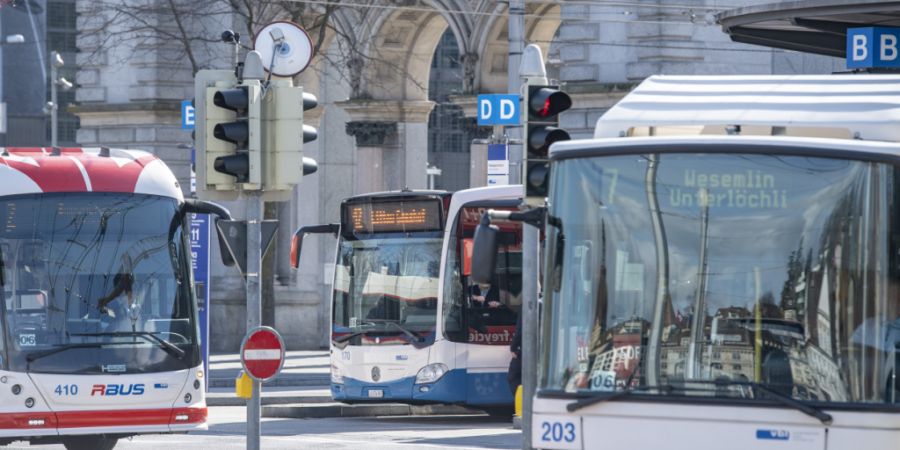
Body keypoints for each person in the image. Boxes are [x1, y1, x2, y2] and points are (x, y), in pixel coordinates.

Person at [507, 312, 523, 395]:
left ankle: (522, 403)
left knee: (513, 377)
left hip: (524, 350)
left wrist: (513, 347)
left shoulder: (525, 305)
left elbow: (519, 330)